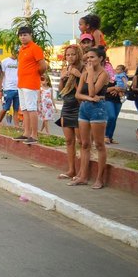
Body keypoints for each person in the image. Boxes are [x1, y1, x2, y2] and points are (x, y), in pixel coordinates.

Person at [70, 47, 108, 189]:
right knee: (84, 144)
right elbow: (78, 95)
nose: (89, 60)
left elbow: (93, 92)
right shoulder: (85, 73)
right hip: (84, 108)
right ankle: (83, 177)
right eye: (88, 58)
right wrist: (88, 98)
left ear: (101, 59)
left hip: (98, 109)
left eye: (92, 57)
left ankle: (100, 178)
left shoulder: (103, 74)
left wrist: (91, 74)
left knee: (99, 144)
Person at [14, 26, 47, 144]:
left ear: (30, 35)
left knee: (32, 109)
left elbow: (43, 66)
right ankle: (26, 133)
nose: (22, 37)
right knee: (25, 109)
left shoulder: (35, 48)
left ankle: (34, 135)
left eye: (25, 35)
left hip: (30, 83)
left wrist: (37, 75)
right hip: (21, 83)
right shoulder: (21, 49)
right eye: (21, 35)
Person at [55, 44, 83, 180]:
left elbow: (85, 89)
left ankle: (81, 172)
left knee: (81, 142)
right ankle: (71, 170)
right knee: (68, 140)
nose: (70, 57)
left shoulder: (83, 68)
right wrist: (62, 78)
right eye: (68, 55)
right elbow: (61, 91)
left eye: (73, 54)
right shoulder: (65, 68)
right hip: (67, 106)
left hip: (79, 107)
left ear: (78, 54)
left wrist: (78, 75)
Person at [102, 55, 125, 144]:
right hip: (108, 99)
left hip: (117, 99)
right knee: (111, 116)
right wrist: (114, 88)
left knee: (114, 118)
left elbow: (124, 88)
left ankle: (110, 137)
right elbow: (103, 90)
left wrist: (118, 89)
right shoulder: (103, 78)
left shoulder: (117, 78)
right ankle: (106, 135)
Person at [0, 48, 19, 125]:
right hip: (8, 88)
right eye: (16, 52)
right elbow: (0, 75)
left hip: (18, 88)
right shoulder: (5, 61)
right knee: (6, 108)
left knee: (16, 109)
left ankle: (16, 126)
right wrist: (0, 88)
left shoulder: (20, 62)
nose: (17, 54)